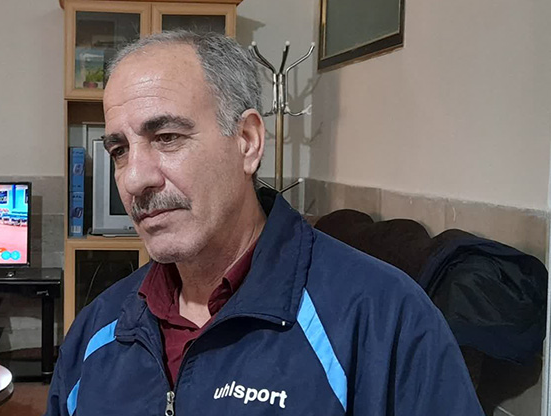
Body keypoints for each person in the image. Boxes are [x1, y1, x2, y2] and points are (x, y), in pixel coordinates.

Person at [45, 32, 483, 416]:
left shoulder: (384, 320)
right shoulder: (96, 331)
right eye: (119, 150)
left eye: (167, 137)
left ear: (248, 142)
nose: (134, 179)